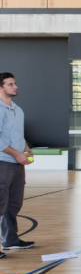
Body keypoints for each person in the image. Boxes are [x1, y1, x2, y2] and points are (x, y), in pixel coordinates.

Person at [0, 72, 35, 257]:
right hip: (3, 162)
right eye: (10, 84)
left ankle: (10, 240)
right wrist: (16, 154)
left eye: (14, 83)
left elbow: (18, 136)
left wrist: (26, 150)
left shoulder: (17, 109)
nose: (15, 86)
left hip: (17, 163)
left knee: (13, 204)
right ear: (1, 88)